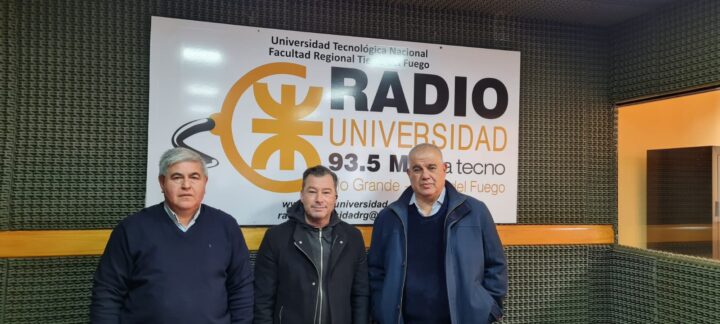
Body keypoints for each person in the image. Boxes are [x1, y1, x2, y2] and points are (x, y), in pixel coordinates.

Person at [90, 147, 253, 323]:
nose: (186, 185)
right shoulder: (131, 229)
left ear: (205, 182)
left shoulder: (226, 226)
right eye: (177, 177)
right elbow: (107, 293)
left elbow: (241, 290)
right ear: (162, 182)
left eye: (194, 177)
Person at [368, 143, 507, 324]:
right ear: (409, 174)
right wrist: (382, 309)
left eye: (431, 167)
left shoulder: (475, 212)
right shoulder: (388, 217)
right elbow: (375, 271)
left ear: (444, 169)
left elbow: (496, 264)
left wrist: (488, 308)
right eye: (417, 169)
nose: (425, 175)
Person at [253, 165, 369, 324]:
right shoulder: (276, 237)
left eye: (326, 192)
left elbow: (360, 295)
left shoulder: (353, 237)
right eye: (312, 191)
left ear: (335, 197)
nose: (319, 199)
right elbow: (263, 298)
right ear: (302, 195)